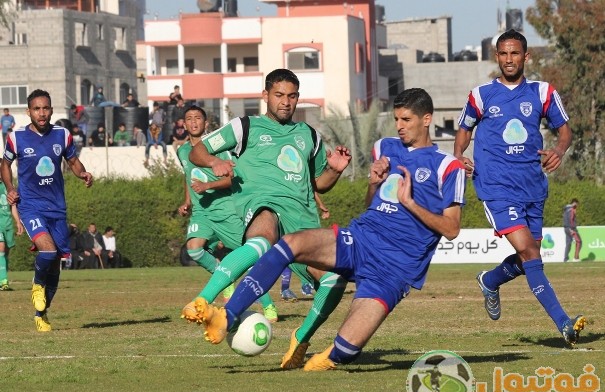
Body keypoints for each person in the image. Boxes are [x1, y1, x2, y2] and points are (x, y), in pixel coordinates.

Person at [193, 88, 466, 371]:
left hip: (394, 269)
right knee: (291, 243)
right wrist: (373, 182)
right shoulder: (385, 148)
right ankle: (227, 316)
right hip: (361, 239)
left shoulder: (448, 166)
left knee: (346, 351)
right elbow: (371, 204)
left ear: (426, 119)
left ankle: (317, 353)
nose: (399, 126)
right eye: (396, 119)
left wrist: (409, 203)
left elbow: (452, 228)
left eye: (406, 120)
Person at [182, 69, 351, 369]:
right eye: (279, 95)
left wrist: (335, 170)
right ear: (265, 96)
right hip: (262, 203)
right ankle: (204, 301)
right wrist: (215, 162)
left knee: (333, 279)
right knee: (262, 238)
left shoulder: (309, 135)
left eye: (292, 96)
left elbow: (318, 183)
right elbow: (198, 151)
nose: (286, 102)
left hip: (301, 218)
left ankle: (301, 338)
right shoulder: (245, 127)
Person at [453, 29, 586, 346]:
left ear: (526, 57)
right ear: (496, 57)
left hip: (533, 187)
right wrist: (459, 156)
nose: (509, 59)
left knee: (531, 257)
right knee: (528, 251)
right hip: (495, 186)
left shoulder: (542, 93)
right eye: (503, 53)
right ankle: (564, 323)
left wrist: (558, 151)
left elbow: (564, 132)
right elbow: (463, 130)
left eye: (515, 53)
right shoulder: (482, 95)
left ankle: (490, 280)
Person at [0, 89, 93, 331]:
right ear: (28, 111)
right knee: (48, 252)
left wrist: (82, 172)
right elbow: (5, 164)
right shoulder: (16, 137)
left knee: (55, 267)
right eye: (37, 109)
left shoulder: (62, 135)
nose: (42, 113)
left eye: (46, 108)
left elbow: (73, 161)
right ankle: (36, 285)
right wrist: (10, 188)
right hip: (30, 206)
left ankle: (41, 314)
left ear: (51, 110)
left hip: (57, 209)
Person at [176, 105, 278, 320]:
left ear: (205, 124)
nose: (193, 122)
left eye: (198, 118)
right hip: (203, 214)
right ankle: (225, 279)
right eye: (189, 119)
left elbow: (232, 178)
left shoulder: (218, 148)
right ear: (184, 124)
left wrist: (207, 186)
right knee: (194, 249)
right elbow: (188, 175)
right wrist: (187, 202)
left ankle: (268, 305)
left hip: (227, 212)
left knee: (250, 261)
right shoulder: (182, 151)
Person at [0, 181, 23, 290]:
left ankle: (1, 278)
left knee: (6, 252)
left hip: (8, 224)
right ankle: (4, 281)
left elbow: (13, 206)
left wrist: (18, 222)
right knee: (1, 249)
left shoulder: (8, 187)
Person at [563, 198, 582, 263]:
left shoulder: (566, 209)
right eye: (577, 204)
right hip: (571, 228)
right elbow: (571, 219)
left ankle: (565, 259)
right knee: (579, 241)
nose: (577, 206)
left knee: (568, 244)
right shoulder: (571, 210)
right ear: (574, 203)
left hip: (566, 228)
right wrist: (571, 229)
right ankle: (576, 258)